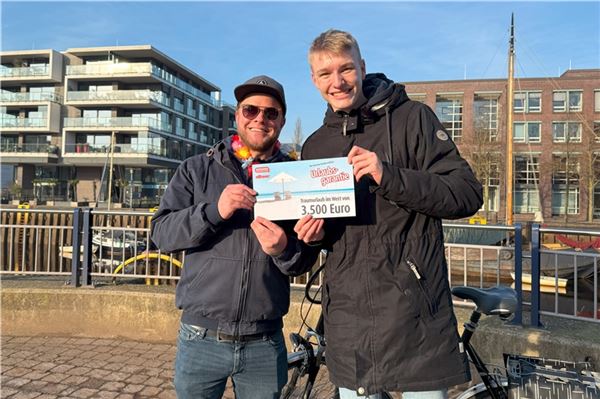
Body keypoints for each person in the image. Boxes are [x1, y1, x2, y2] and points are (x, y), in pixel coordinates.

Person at [299, 29, 484, 398]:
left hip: (416, 323)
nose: (337, 82)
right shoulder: (315, 145)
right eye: (325, 73)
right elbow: (325, 236)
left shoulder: (414, 118)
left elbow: (466, 194)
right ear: (314, 79)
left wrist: (389, 175)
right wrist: (313, 236)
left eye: (346, 69)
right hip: (349, 324)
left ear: (362, 68)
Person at [151, 75, 321, 399]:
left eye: (271, 113)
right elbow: (162, 234)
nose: (260, 118)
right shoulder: (195, 169)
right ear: (237, 116)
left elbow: (303, 259)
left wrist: (285, 249)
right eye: (251, 110)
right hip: (200, 336)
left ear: (282, 121)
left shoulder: (297, 177)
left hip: (265, 341)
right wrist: (214, 210)